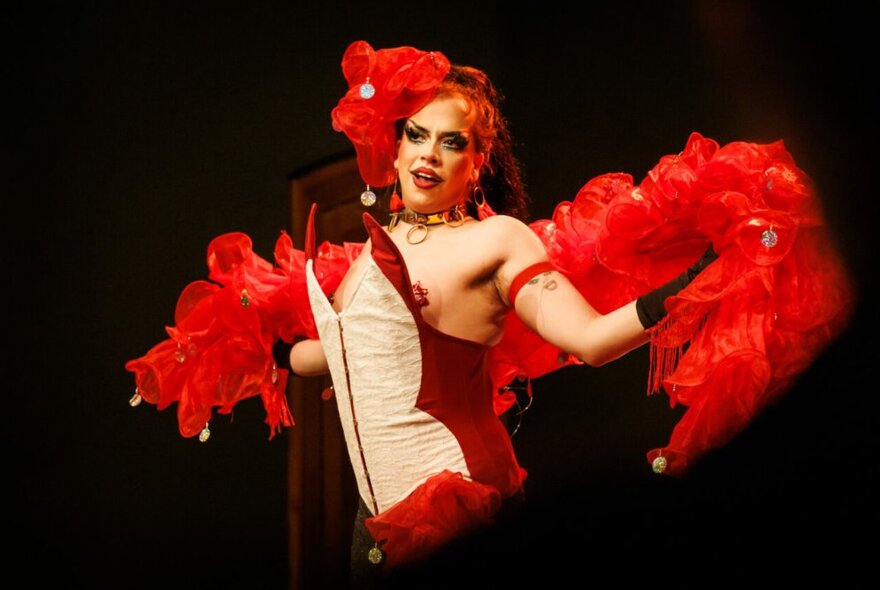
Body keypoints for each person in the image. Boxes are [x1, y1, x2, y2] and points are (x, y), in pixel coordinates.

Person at [126, 40, 853, 589]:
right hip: (371, 528)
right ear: (393, 142)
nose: (427, 157)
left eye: (452, 143)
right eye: (415, 135)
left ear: (479, 163)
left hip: (460, 509)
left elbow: (592, 341)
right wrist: (270, 355)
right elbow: (348, 356)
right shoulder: (362, 252)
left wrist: (694, 284)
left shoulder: (496, 239)